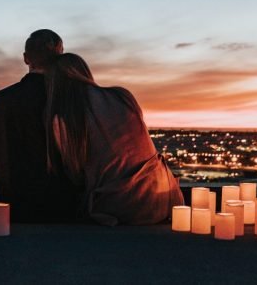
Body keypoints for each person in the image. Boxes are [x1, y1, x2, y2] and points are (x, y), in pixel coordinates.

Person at [45, 53, 184, 225]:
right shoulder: (122, 96)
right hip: (165, 197)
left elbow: (75, 174)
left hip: (121, 207)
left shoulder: (64, 119)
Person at [0, 30, 79, 222]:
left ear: (26, 59)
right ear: (60, 57)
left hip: (8, 202)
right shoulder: (69, 99)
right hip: (58, 204)